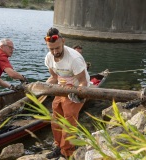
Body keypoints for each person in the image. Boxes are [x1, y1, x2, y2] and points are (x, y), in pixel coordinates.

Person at [44, 27, 90, 159]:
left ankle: (67, 152)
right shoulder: (49, 58)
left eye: (57, 48)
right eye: (51, 49)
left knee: (69, 121)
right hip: (62, 87)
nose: (54, 52)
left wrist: (79, 95)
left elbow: (83, 82)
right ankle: (58, 146)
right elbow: (53, 77)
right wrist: (43, 87)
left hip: (75, 89)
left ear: (63, 41)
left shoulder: (74, 59)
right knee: (56, 119)